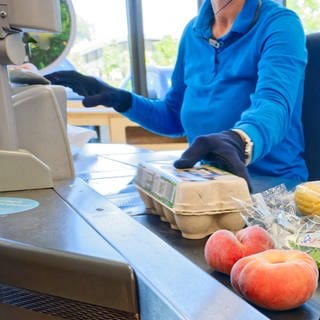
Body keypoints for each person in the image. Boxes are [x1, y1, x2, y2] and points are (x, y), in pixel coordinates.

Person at [45, 0, 307, 191]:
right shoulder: (194, 32)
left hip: (272, 187)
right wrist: (121, 99)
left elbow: (274, 104)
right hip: (208, 182)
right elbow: (173, 117)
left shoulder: (280, 25)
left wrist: (239, 141)